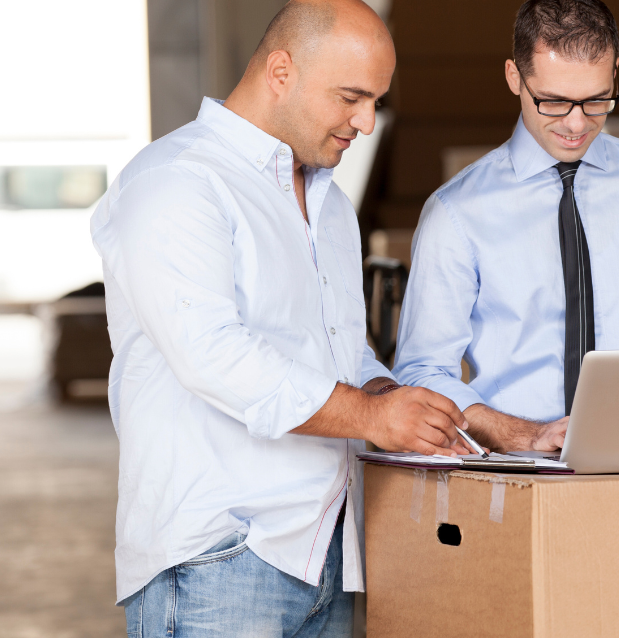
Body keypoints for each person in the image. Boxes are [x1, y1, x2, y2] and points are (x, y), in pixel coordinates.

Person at [90, 1, 471, 635]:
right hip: (220, 560)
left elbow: (341, 357)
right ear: (281, 70)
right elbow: (212, 355)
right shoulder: (178, 181)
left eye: (375, 100)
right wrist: (371, 413)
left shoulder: (329, 206)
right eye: (352, 97)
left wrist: (386, 393)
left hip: (325, 551)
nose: (368, 122)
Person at [392, 0, 619, 453]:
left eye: (597, 100)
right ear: (514, 78)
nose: (576, 123)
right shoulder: (456, 212)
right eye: (554, 101)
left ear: (616, 73)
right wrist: (526, 435)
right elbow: (422, 373)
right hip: (517, 474)